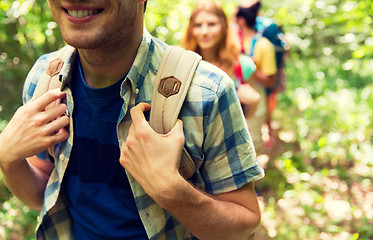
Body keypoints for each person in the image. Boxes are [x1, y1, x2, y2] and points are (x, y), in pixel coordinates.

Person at [0, 0, 264, 239]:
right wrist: (8, 159)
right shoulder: (44, 80)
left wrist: (172, 192)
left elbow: (244, 225)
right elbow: (43, 192)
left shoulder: (206, 93)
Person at [182, 0, 260, 119]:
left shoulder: (243, 66)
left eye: (212, 24)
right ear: (191, 29)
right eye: (198, 25)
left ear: (224, 26)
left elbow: (244, 120)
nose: (204, 32)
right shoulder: (183, 65)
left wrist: (254, 103)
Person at [236, 0, 277, 152]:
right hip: (234, 102)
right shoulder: (231, 43)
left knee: (251, 147)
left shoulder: (263, 45)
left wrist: (250, 68)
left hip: (255, 104)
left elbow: (271, 80)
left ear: (240, 20)